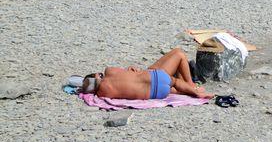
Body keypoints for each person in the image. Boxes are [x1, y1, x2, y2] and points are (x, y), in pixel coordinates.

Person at [79, 47, 211, 100]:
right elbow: (127, 75)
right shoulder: (109, 71)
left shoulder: (103, 93)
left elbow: (127, 83)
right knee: (179, 54)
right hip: (155, 76)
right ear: (99, 75)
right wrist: (130, 69)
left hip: (154, 94)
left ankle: (188, 91)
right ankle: (193, 87)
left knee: (172, 87)